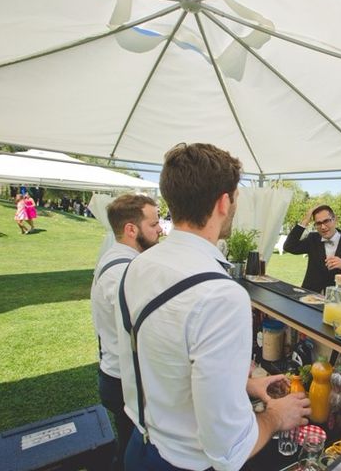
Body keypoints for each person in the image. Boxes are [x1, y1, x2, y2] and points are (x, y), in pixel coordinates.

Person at [118, 143, 310, 471]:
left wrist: (245, 385)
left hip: (140, 447)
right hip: (186, 463)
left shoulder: (139, 266)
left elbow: (167, 360)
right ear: (224, 202)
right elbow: (229, 448)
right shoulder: (221, 295)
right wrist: (277, 416)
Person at [91, 193, 162, 471]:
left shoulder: (119, 259)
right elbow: (148, 330)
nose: (160, 229)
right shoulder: (123, 272)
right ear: (131, 229)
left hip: (115, 375)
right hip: (123, 381)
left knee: (128, 446)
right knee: (135, 453)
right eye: (154, 224)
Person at [283, 205, 341, 293]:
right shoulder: (312, 239)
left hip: (336, 297)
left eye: (326, 221)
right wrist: (305, 221)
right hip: (309, 296)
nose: (323, 227)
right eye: (318, 223)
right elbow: (289, 246)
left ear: (335, 219)